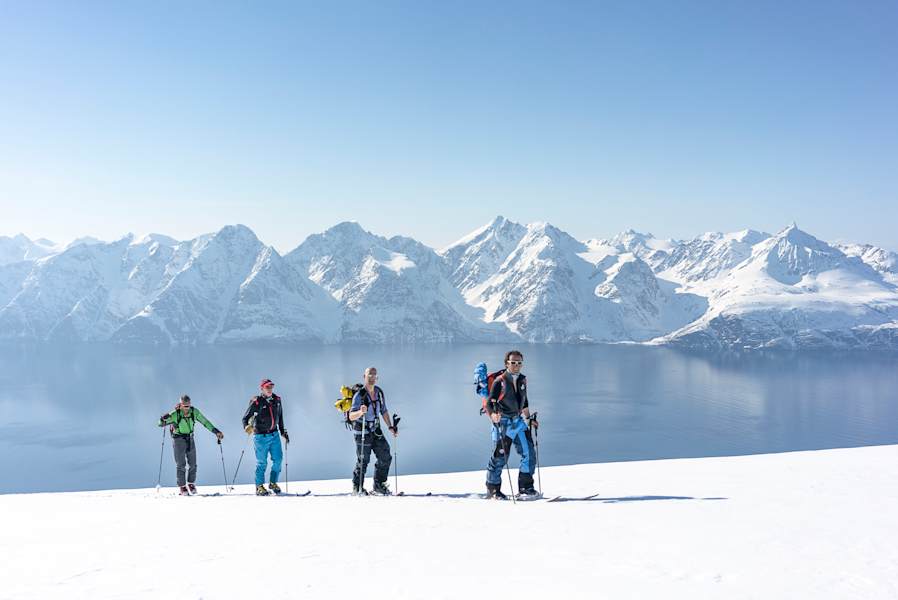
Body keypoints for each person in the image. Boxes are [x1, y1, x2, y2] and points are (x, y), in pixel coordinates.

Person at [485, 350, 539, 499]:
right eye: (513, 362)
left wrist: (529, 418)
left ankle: (526, 488)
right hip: (503, 423)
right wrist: (493, 415)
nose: (516, 365)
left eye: (519, 363)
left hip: (518, 421)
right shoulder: (500, 381)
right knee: (500, 457)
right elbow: (490, 402)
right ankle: (493, 490)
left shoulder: (522, 380)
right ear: (506, 363)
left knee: (529, 453)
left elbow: (524, 400)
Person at [158, 395, 223, 495]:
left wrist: (216, 431)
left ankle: (191, 484)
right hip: (178, 439)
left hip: (190, 438)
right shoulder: (175, 414)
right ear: (180, 405)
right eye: (185, 406)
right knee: (181, 464)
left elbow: (205, 422)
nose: (187, 408)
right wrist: (162, 418)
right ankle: (182, 486)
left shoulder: (194, 412)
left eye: (188, 406)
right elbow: (160, 424)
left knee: (193, 463)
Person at [348, 367, 398, 495]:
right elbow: (351, 416)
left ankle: (378, 485)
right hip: (362, 431)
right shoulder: (360, 395)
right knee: (363, 459)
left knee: (385, 455)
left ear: (377, 378)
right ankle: (357, 487)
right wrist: (360, 412)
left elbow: (384, 411)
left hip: (375, 429)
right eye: (369, 375)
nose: (372, 378)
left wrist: (390, 427)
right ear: (364, 376)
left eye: (374, 375)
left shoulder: (379, 392)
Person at [242, 378, 290, 496]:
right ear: (262, 389)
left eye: (271, 387)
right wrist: (246, 427)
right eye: (267, 387)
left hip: (274, 435)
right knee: (262, 463)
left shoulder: (277, 400)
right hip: (260, 437)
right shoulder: (257, 401)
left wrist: (283, 431)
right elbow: (245, 418)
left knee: (278, 460)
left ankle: (273, 482)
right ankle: (259, 486)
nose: (270, 389)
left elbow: (280, 416)